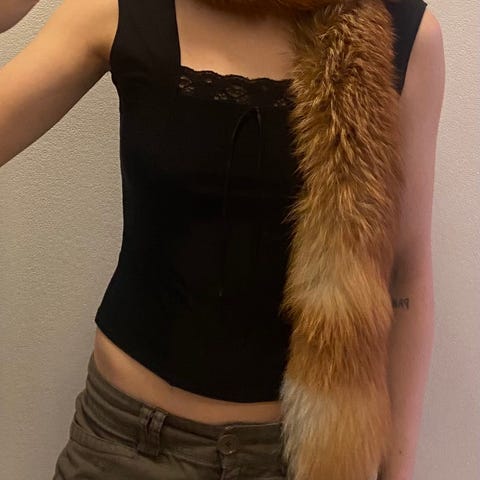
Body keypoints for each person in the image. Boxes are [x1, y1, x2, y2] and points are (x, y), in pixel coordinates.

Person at [1, 0, 444, 479]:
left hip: (298, 460)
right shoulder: (122, 7)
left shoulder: (406, 33)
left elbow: (405, 272)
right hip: (123, 448)